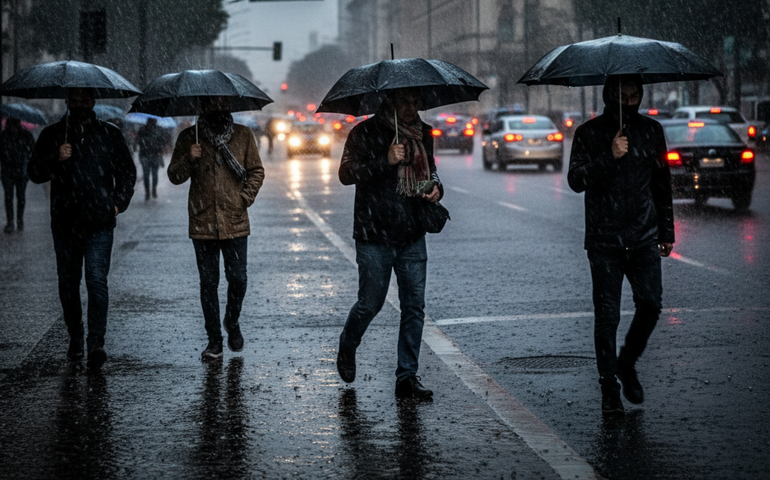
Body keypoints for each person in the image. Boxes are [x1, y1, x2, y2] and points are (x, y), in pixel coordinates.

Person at [568, 75, 675, 416]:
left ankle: (626, 362)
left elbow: (662, 182)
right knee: (607, 317)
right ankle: (609, 387)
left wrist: (666, 230)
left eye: (635, 93)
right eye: (623, 93)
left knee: (651, 304)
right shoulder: (589, 133)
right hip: (604, 239)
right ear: (609, 94)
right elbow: (575, 180)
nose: (630, 99)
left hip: (643, 236)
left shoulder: (651, 130)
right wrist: (608, 156)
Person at [336, 87, 443, 400]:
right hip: (374, 234)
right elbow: (346, 173)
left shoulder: (422, 133)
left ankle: (406, 377)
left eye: (416, 101)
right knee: (370, 303)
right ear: (390, 102)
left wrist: (435, 188)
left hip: (412, 232)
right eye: (405, 101)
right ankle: (348, 343)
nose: (412, 107)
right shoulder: (364, 132)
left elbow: (431, 171)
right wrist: (385, 160)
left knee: (414, 307)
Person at [27, 88, 137, 369]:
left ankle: (95, 343)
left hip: (100, 222)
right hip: (65, 223)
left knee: (96, 281)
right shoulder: (53, 135)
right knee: (68, 282)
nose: (79, 104)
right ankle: (75, 335)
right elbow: (34, 172)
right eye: (74, 100)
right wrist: (55, 157)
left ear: (93, 102)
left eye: (84, 100)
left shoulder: (109, 135)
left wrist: (117, 204)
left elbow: (127, 171)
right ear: (67, 102)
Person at [167, 96, 265, 361]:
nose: (218, 109)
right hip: (203, 222)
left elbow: (256, 171)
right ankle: (214, 340)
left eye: (223, 104)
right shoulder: (190, 136)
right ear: (202, 106)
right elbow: (174, 175)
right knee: (208, 283)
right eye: (212, 104)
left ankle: (231, 321)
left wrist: (243, 199)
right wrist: (190, 157)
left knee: (238, 279)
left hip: (235, 221)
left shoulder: (243, 135)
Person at [0, 117, 35, 233]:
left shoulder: (25, 135)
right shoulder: (4, 135)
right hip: (8, 170)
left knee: (20, 196)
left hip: (21, 170)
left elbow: (32, 150)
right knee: (9, 196)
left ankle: (19, 220)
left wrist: (24, 157)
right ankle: (10, 221)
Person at [135, 117, 169, 200]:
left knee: (148, 174)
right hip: (153, 154)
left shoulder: (142, 129)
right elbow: (163, 141)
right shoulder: (158, 130)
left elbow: (138, 141)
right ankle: (152, 190)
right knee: (153, 174)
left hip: (147, 154)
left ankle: (149, 191)